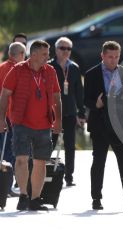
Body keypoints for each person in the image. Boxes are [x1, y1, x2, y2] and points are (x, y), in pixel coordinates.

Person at [0, 40, 62, 211]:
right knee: (21, 160)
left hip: (44, 124)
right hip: (21, 122)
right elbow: (5, 95)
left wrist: (58, 120)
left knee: (40, 162)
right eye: (44, 54)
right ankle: (23, 196)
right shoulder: (17, 70)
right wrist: (1, 118)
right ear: (33, 54)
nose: (48, 57)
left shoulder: (50, 71)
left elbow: (57, 97)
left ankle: (35, 199)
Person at [84, 41, 123, 210]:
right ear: (102, 56)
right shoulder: (91, 74)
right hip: (100, 125)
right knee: (99, 161)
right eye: (110, 57)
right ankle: (96, 198)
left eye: (117, 57)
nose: (113, 60)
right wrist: (96, 104)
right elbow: (85, 99)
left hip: (120, 125)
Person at [48, 37, 86, 187]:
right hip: (52, 113)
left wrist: (81, 112)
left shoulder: (74, 68)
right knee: (50, 144)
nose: (65, 51)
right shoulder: (49, 67)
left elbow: (79, 92)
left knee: (70, 146)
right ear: (56, 50)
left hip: (70, 112)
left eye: (68, 49)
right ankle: (43, 172)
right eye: (62, 48)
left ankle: (69, 176)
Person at [0, 42, 26, 197]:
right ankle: (6, 187)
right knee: (9, 153)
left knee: (4, 152)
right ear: (20, 54)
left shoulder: (2, 67)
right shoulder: (16, 70)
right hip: (10, 115)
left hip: (3, 115)